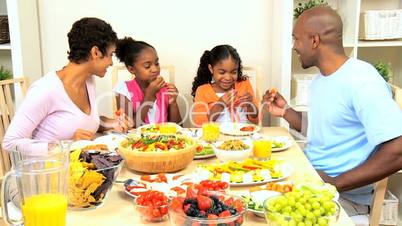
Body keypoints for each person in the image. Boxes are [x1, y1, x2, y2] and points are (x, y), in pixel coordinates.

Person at [263, 6, 402, 216]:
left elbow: (398, 149)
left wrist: (334, 183)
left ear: (314, 40)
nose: (294, 46)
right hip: (311, 180)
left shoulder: (362, 81)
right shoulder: (321, 80)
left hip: (342, 198)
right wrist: (286, 112)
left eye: (296, 39)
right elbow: (328, 128)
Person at [3, 17, 129, 152]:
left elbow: (79, 123)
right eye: (110, 55)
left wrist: (111, 123)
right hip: (49, 170)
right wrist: (66, 145)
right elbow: (10, 143)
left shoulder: (89, 81)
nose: (111, 63)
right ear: (95, 52)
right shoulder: (45, 89)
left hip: (76, 167)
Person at [113, 37, 181, 127]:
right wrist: (149, 98)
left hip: (164, 140)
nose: (155, 69)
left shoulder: (165, 88)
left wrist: (173, 103)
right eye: (147, 66)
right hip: (137, 140)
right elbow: (128, 127)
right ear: (131, 69)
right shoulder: (124, 90)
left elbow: (178, 127)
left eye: (156, 63)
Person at [191, 45, 259, 127]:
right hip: (216, 137)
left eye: (233, 72)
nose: (228, 78)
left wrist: (250, 104)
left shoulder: (244, 84)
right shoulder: (202, 90)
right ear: (211, 69)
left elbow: (256, 119)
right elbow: (199, 124)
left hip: (243, 136)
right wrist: (220, 104)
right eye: (222, 72)